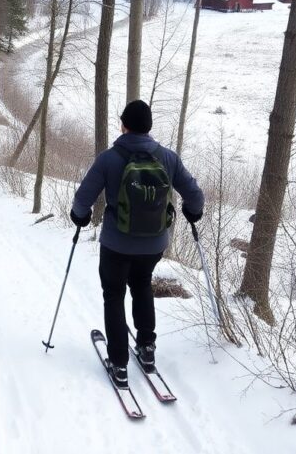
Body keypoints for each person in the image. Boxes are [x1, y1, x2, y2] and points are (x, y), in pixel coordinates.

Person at [70, 100, 204, 388]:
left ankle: (119, 364)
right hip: (154, 244)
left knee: (114, 294)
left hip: (116, 244)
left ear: (124, 125)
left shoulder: (109, 158)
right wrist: (193, 212)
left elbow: (83, 199)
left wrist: (79, 217)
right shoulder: (168, 159)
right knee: (142, 285)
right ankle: (147, 349)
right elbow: (195, 196)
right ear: (149, 127)